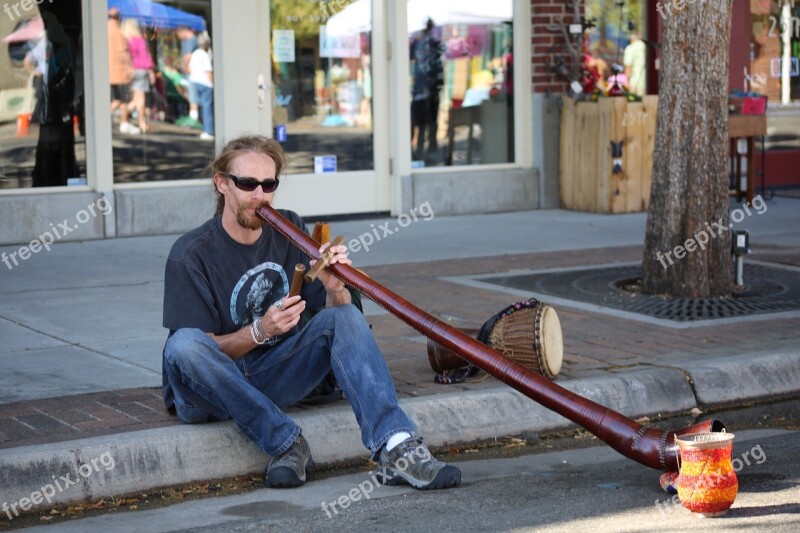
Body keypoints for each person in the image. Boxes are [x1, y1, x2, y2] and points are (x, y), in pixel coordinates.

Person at [162, 135, 461, 490]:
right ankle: (287, 443)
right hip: (209, 391)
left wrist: (337, 288)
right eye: (247, 184)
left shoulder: (289, 227)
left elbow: (337, 318)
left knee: (345, 316)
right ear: (222, 184)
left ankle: (397, 447)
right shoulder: (191, 253)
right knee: (182, 346)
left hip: (273, 372)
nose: (260, 195)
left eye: (269, 184)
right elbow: (199, 350)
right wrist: (259, 332)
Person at [410, 19, 445, 162]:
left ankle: (421, 152)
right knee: (428, 123)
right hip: (427, 90)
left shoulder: (422, 43)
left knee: (423, 123)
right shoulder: (428, 43)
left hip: (424, 90)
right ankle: (425, 151)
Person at [108, 9, 139, 135]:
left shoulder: (104, 28)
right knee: (123, 99)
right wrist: (129, 68)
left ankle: (108, 116)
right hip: (119, 71)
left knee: (115, 99)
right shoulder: (117, 31)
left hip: (109, 71)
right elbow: (123, 52)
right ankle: (124, 122)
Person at [121, 19, 155, 133]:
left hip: (129, 70)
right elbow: (146, 56)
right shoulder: (140, 40)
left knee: (133, 96)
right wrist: (151, 71)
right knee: (140, 98)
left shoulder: (124, 40)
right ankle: (141, 122)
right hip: (141, 70)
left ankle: (125, 117)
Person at [188, 32, 214, 140]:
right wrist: (213, 83)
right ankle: (208, 130)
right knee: (207, 106)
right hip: (205, 83)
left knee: (195, 104)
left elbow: (189, 68)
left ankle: (195, 120)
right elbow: (208, 71)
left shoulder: (195, 53)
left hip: (194, 80)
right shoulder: (205, 55)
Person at [623, 31, 646, 97]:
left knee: (634, 104)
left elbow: (628, 66)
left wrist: (626, 80)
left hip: (635, 82)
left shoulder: (630, 48)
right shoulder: (645, 47)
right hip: (648, 83)